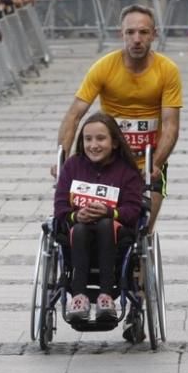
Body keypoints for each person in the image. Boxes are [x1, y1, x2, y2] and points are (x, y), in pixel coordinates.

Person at [56, 3, 182, 236]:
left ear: (154, 35)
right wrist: (62, 158)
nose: (136, 39)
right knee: (91, 225)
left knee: (141, 234)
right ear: (121, 34)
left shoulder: (167, 70)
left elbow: (171, 125)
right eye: (130, 32)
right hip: (110, 164)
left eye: (143, 32)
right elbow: (74, 116)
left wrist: (156, 163)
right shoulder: (104, 67)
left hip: (148, 162)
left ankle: (139, 268)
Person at [54, 112, 145, 321]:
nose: (93, 145)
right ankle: (79, 296)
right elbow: (59, 207)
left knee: (104, 224)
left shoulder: (127, 172)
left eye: (100, 138)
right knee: (81, 228)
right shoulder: (72, 166)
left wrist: (110, 212)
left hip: (115, 236)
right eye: (88, 139)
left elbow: (133, 210)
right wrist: (77, 216)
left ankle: (106, 295)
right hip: (76, 233)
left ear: (114, 142)